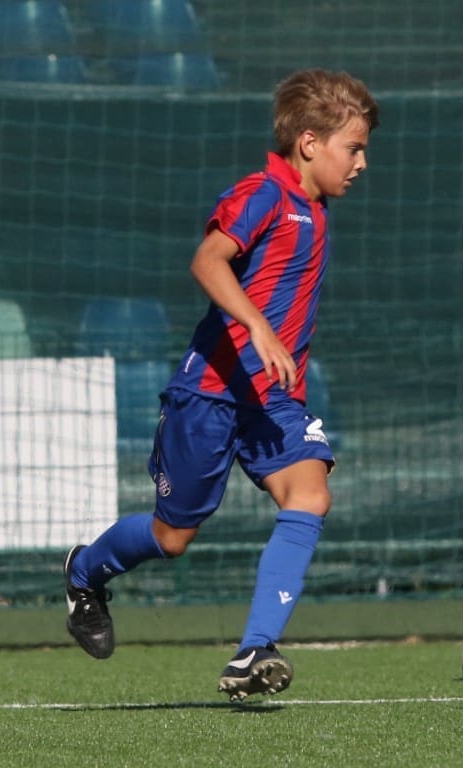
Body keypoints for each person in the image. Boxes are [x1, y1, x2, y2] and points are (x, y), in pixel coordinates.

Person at [62, 69, 380, 700]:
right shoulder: (264, 193)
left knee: (310, 495)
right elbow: (207, 261)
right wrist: (258, 328)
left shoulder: (315, 210)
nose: (361, 163)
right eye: (353, 147)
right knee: (172, 537)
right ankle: (83, 572)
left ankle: (254, 650)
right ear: (309, 143)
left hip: (273, 400)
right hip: (208, 393)